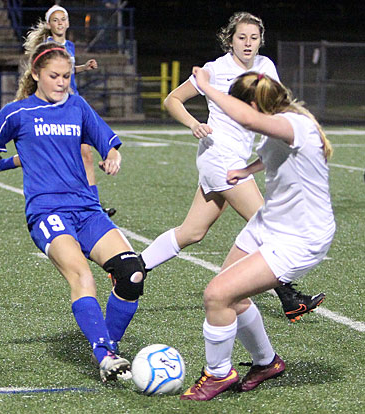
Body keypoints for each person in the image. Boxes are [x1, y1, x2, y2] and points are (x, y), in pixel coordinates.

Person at [0, 42, 146, 382]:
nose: (62, 82)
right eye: (54, 76)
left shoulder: (77, 106)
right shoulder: (17, 113)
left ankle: (106, 343)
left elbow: (107, 141)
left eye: (66, 76)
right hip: (48, 212)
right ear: (36, 75)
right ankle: (104, 354)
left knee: (132, 272)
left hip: (87, 210)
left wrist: (114, 156)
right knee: (83, 276)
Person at [139, 11, 324, 322]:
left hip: (235, 159)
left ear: (260, 41)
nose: (248, 43)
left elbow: (275, 105)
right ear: (230, 40)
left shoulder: (266, 67)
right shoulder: (215, 69)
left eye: (253, 38)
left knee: (193, 231)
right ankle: (290, 298)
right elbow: (173, 99)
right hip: (219, 157)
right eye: (242, 38)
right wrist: (193, 123)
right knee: (269, 223)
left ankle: (133, 267)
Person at [180, 69, 335, 401]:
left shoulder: (293, 124)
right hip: (272, 222)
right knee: (230, 297)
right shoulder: (282, 120)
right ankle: (267, 363)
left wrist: (207, 88)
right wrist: (245, 171)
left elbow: (248, 120)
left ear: (252, 104)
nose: (234, 116)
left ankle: (218, 374)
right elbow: (271, 154)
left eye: (238, 107)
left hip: (301, 238)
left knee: (216, 295)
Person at [0, 5, 117, 218]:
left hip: (71, 106)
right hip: (53, 107)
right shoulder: (47, 48)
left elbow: (67, 71)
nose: (60, 23)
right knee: (40, 152)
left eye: (64, 19)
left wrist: (83, 68)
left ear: (68, 22)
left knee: (85, 153)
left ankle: (94, 206)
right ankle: (1, 164)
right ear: (49, 24)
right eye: (56, 20)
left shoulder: (69, 45)